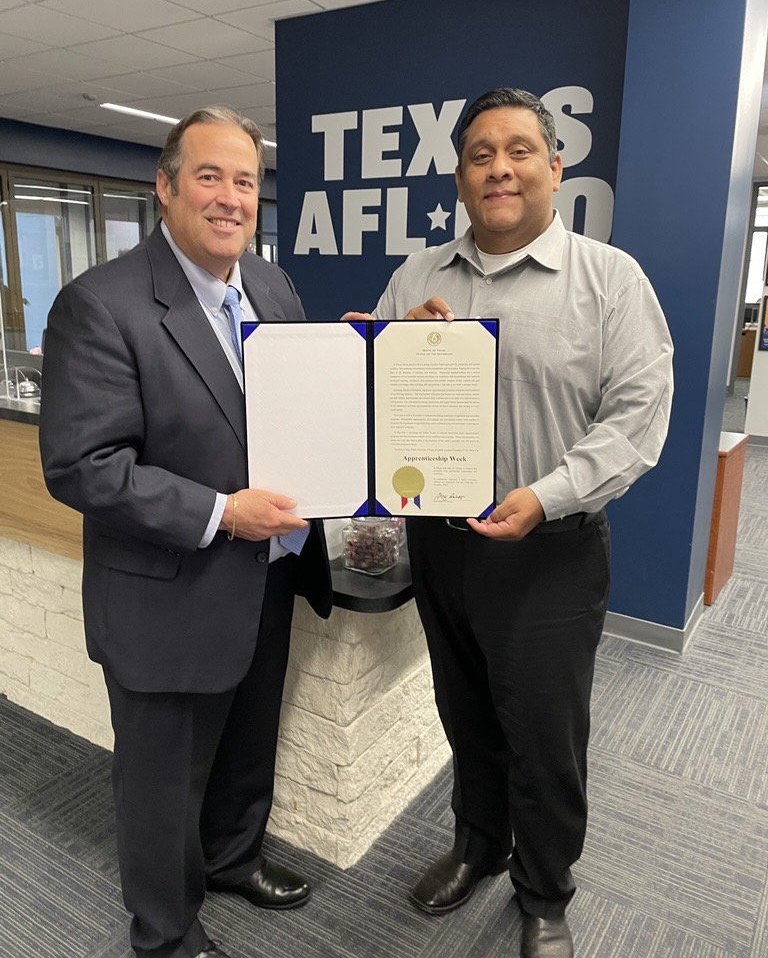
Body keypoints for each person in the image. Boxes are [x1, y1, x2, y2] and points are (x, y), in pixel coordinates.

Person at [346, 88, 673, 958]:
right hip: (441, 545)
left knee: (546, 737)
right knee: (467, 717)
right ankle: (478, 848)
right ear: (459, 176)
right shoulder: (417, 277)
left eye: (519, 150)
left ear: (555, 167)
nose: (499, 168)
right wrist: (382, 348)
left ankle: (545, 892)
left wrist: (548, 493)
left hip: (550, 553)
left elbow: (638, 417)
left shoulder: (610, 281)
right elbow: (368, 393)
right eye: (480, 154)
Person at [39, 105, 332, 958]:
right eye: (209, 176)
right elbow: (83, 465)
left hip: (267, 572)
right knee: (162, 781)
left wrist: (355, 362)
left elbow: (296, 398)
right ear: (164, 187)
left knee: (247, 741)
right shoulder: (100, 304)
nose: (230, 198)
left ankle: (236, 857)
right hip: (169, 592)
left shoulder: (271, 286)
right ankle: (165, 934)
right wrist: (218, 513)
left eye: (245, 181)